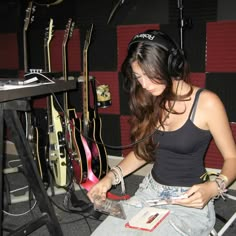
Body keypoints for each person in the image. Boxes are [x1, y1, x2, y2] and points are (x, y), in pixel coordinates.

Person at [87, 29, 236, 236]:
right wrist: (110, 177)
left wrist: (214, 187)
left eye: (150, 76)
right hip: (150, 191)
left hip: (189, 201)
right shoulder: (150, 97)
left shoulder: (207, 103)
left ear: (171, 65)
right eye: (139, 77)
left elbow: (232, 157)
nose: (145, 85)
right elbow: (142, 152)